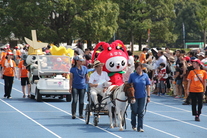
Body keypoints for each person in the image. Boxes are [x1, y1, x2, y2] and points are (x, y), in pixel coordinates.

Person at [128, 62, 150, 132]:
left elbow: (148, 86)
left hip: (142, 95)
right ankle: (133, 124)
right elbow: (129, 85)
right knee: (134, 110)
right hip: (133, 96)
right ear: (135, 69)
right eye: (137, 69)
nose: (138, 70)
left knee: (140, 111)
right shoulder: (132, 75)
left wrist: (148, 96)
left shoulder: (145, 75)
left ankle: (140, 126)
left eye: (140, 69)